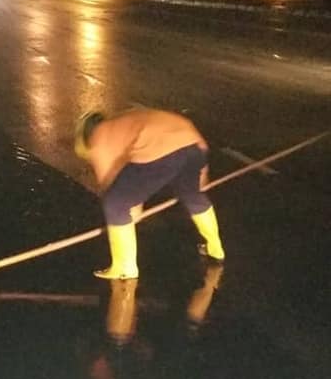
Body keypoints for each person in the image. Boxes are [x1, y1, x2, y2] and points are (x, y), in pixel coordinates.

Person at [74, 107, 224, 279]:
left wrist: (125, 213)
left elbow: (109, 182)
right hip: (193, 144)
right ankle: (215, 247)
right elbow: (134, 177)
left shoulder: (98, 137)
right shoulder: (125, 119)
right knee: (191, 194)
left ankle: (124, 267)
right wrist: (201, 174)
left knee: (114, 203)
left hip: (161, 149)